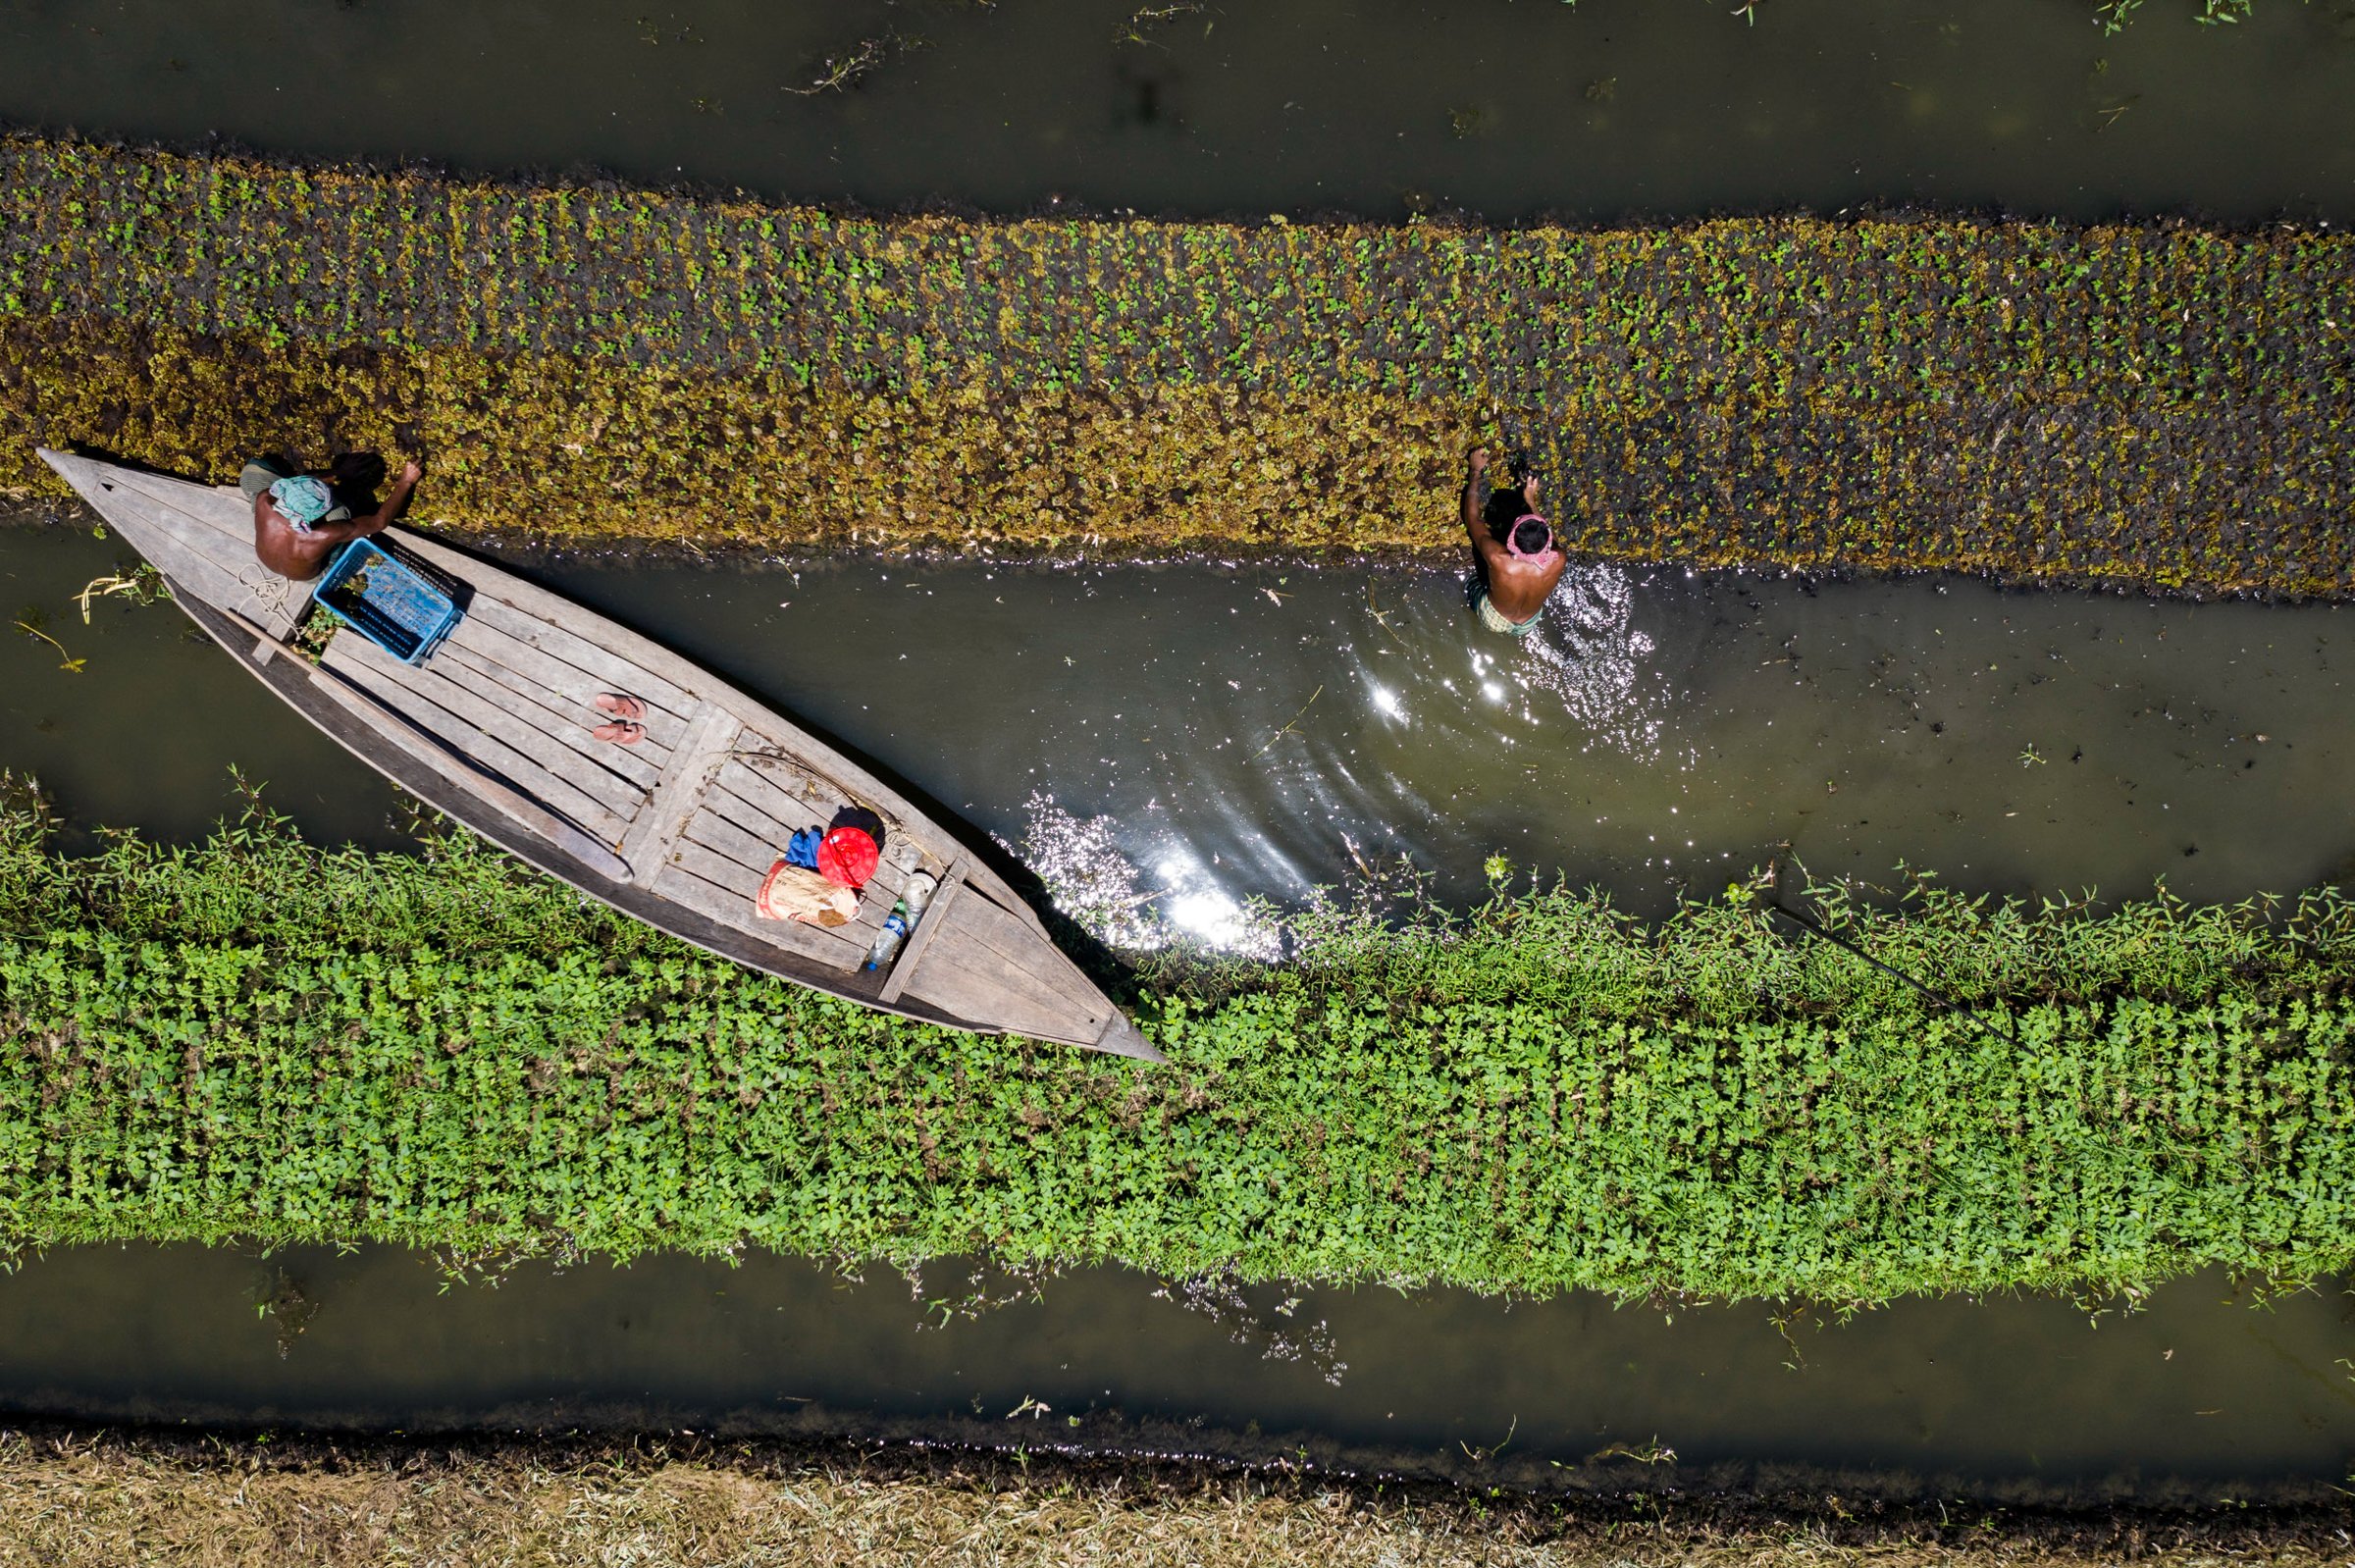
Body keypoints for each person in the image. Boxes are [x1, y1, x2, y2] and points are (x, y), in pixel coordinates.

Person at [244, 451, 423, 581]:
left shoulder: (264, 501)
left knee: (252, 471)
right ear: (316, 516)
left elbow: (305, 481)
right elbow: (379, 521)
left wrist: (340, 473)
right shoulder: (322, 534)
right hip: (313, 573)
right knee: (341, 511)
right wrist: (406, 481)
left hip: (271, 557)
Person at [1463, 446, 1565, 638]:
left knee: (1472, 584)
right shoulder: (1559, 559)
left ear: (1512, 543)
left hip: (1493, 618)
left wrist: (1475, 471)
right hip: (1528, 623)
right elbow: (1547, 534)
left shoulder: (1499, 557)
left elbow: (1473, 519)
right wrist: (1530, 499)